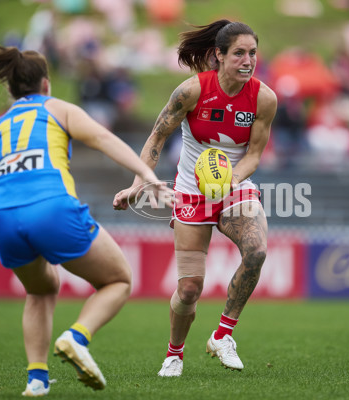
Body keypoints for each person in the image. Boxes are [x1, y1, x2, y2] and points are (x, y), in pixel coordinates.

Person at [0, 39, 172, 396]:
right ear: (46, 84)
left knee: (40, 289)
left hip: (2, 216)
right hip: (51, 206)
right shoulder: (57, 108)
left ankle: (37, 380)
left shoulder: (1, 124)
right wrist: (149, 178)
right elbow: (103, 138)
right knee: (118, 280)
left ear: (10, 89)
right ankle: (76, 338)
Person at [113, 20, 277, 377]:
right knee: (189, 289)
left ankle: (222, 335)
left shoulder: (264, 98)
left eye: (252, 53)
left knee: (258, 251)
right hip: (190, 191)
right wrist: (138, 184)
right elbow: (157, 138)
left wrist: (231, 179)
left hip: (235, 187)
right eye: (238, 53)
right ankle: (174, 354)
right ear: (218, 55)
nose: (247, 60)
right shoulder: (191, 91)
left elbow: (254, 154)